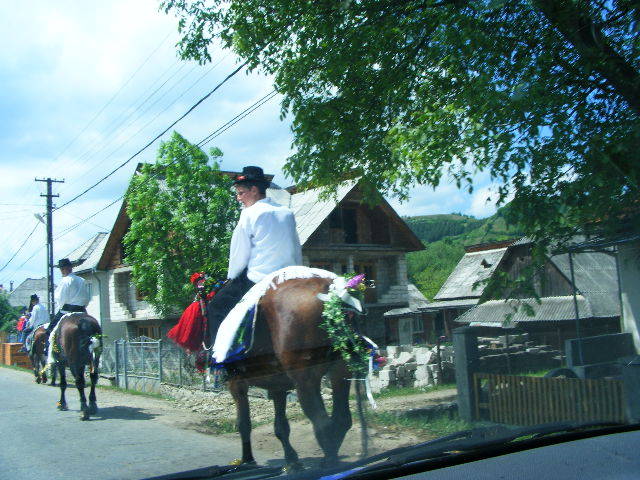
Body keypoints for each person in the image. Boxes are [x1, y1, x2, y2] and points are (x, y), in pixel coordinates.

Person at [206, 166, 302, 346]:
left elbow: (239, 253)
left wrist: (231, 278)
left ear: (254, 190)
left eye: (241, 193)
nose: (238, 198)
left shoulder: (249, 213)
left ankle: (218, 359)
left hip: (260, 278)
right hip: (290, 276)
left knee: (216, 307)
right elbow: (296, 247)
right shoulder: (287, 213)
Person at [45, 258, 90, 336]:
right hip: (82, 310)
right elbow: (87, 297)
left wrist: (61, 307)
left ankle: (47, 345)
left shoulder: (65, 280)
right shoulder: (82, 280)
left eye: (62, 269)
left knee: (49, 330)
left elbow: (61, 298)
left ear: (64, 269)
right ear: (71, 267)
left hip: (67, 310)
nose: (62, 271)